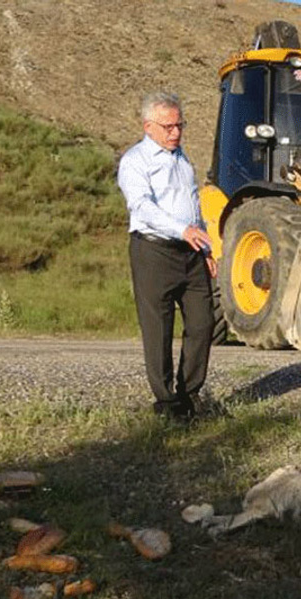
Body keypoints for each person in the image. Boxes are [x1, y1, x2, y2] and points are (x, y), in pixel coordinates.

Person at [116, 92, 217, 421]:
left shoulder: (183, 159)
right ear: (148, 126)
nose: (176, 133)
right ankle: (167, 403)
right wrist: (181, 229)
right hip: (154, 251)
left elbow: (193, 204)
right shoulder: (134, 161)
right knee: (158, 329)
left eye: (180, 125)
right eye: (168, 127)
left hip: (191, 252)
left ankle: (190, 394)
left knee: (203, 323)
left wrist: (205, 247)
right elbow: (141, 206)